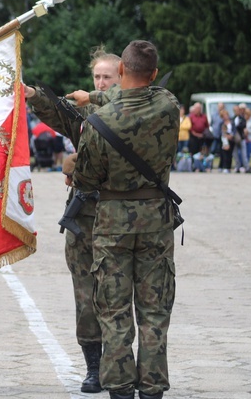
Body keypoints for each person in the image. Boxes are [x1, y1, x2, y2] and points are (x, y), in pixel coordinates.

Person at [71, 40, 179, 399]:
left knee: (114, 312)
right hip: (155, 222)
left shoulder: (101, 121)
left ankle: (117, 386)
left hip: (112, 224)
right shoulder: (168, 107)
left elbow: (86, 180)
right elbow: (154, 93)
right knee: (154, 312)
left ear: (120, 72)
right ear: (155, 74)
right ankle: (152, 389)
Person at [25, 45, 121, 393]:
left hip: (117, 218)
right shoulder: (85, 117)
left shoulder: (133, 112)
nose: (100, 83)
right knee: (85, 294)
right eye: (96, 77)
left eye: (107, 77)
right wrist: (33, 94)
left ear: (123, 77)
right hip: (83, 217)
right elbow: (57, 113)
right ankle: (93, 367)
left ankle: (119, 363)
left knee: (116, 294)